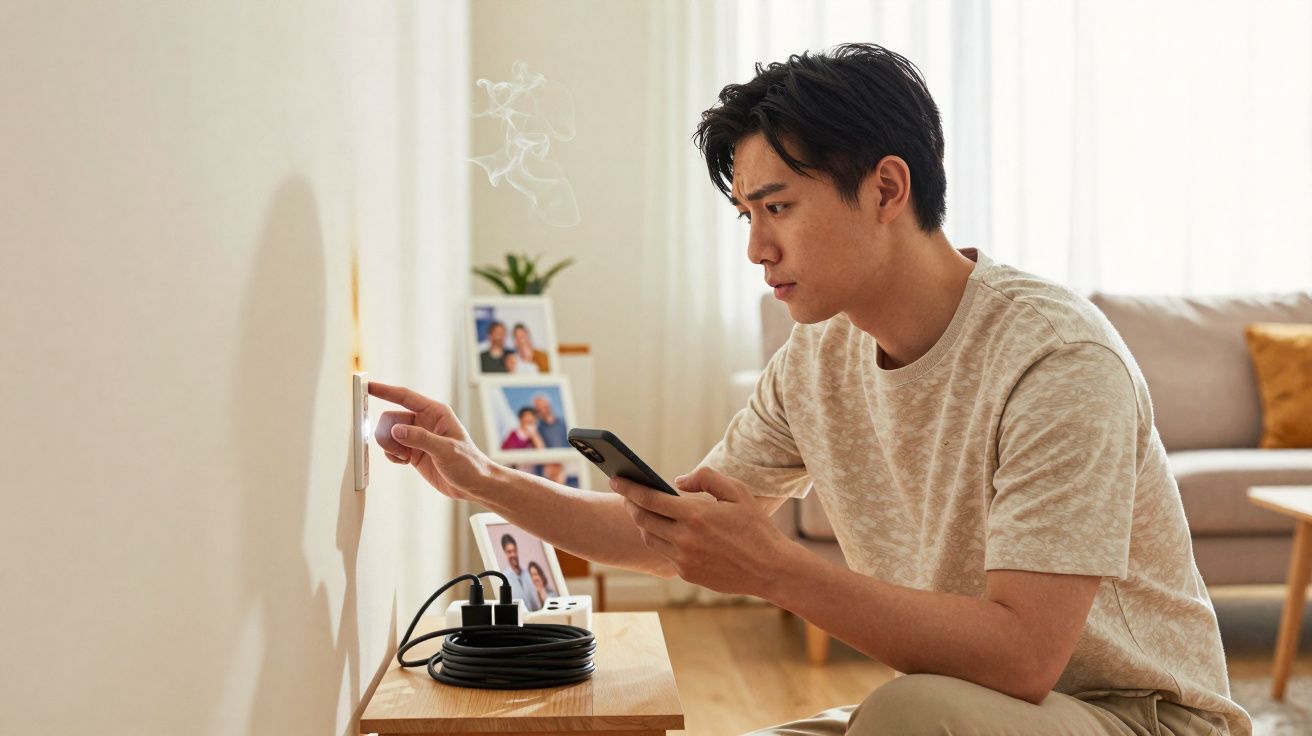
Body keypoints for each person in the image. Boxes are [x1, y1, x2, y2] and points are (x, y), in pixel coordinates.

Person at [369, 43, 1248, 736]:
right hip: (982, 713)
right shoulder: (817, 354)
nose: (756, 248)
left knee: (905, 716)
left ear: (886, 188)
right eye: (746, 215)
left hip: (1139, 719)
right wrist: (480, 476)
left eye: (778, 207)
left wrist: (780, 572)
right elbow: (672, 532)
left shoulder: (1054, 360)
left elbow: (1023, 657)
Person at [498, 532, 540, 611]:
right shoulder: (504, 579)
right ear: (505, 553)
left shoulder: (528, 573)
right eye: (509, 552)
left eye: (514, 550)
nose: (513, 554)